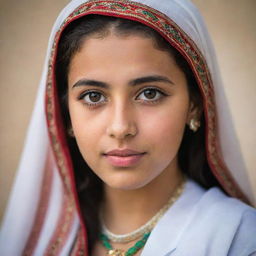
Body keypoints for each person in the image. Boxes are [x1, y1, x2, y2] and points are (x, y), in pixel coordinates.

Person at [0, 0, 256, 255]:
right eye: (93, 96)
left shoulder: (236, 240)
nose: (121, 127)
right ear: (65, 115)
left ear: (195, 104)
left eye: (150, 93)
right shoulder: (43, 239)